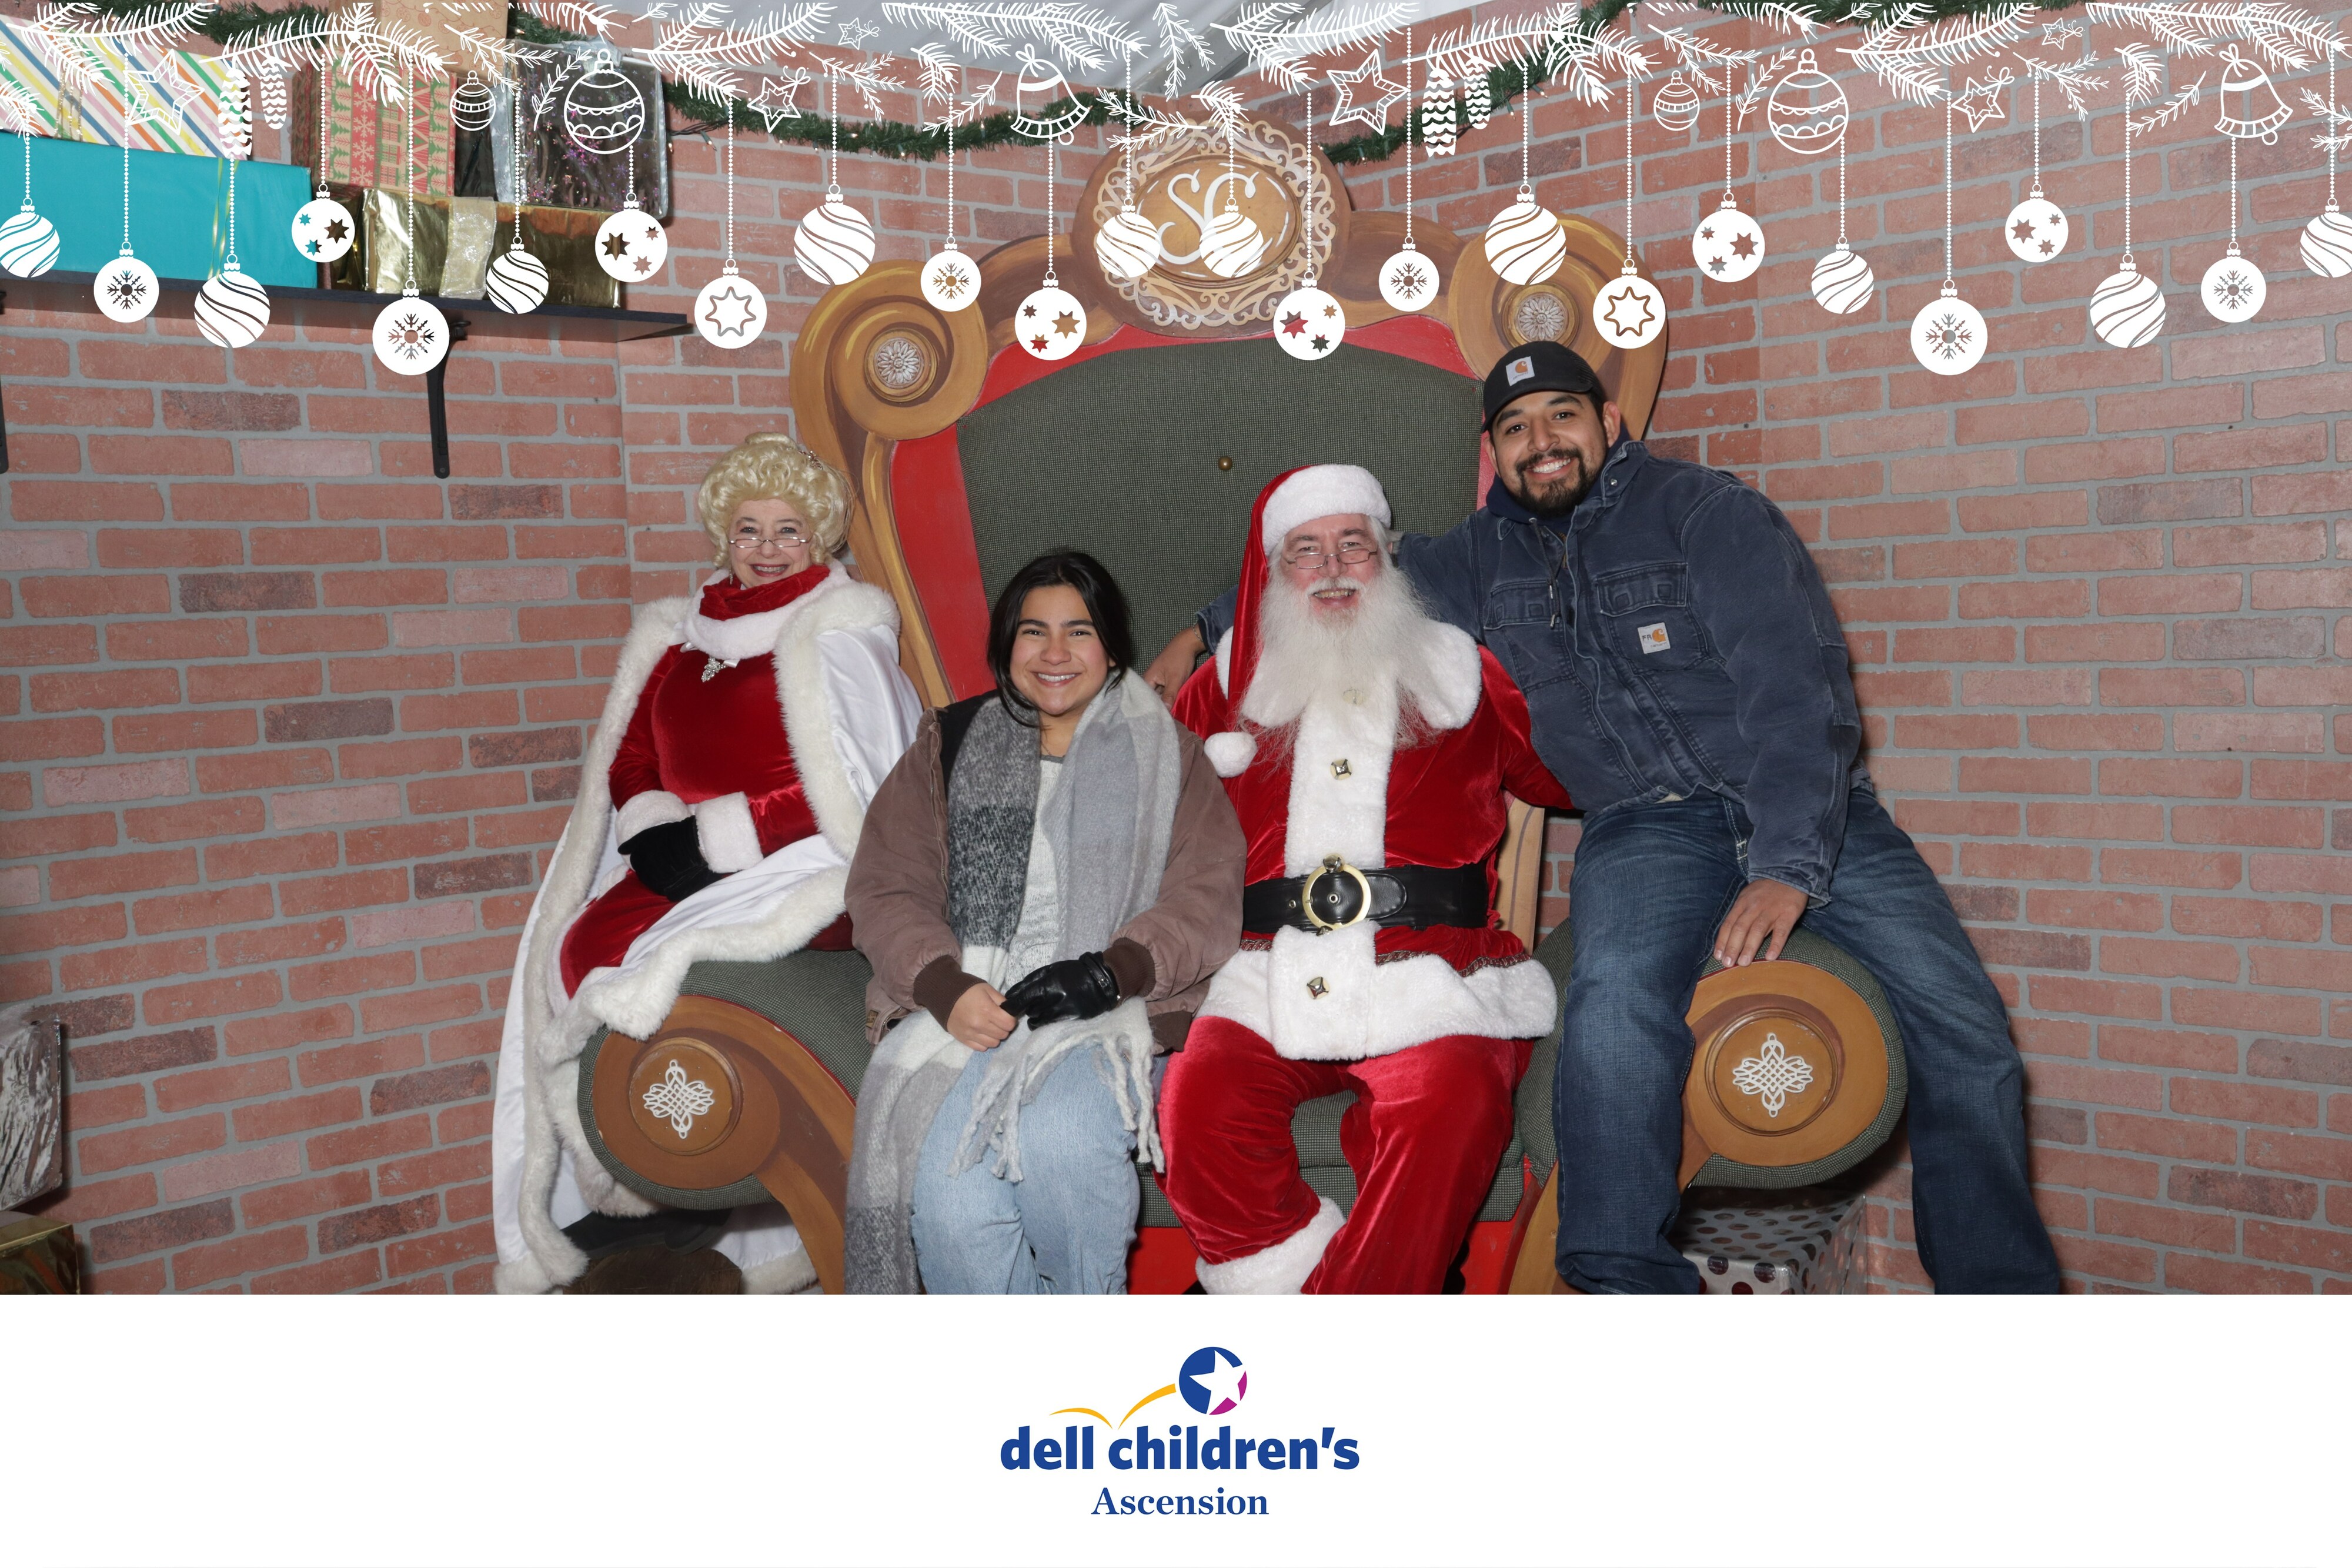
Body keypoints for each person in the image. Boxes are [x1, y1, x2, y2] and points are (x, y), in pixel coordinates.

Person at [1147, 343, 2060, 1295]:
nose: (1541, 440)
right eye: (1516, 427)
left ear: (1609, 422)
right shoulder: (1475, 557)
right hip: (1646, 828)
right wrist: (1199, 633)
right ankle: (1621, 1281)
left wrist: (1787, 867)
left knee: (1970, 1033)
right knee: (1616, 1007)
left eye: (1562, 415)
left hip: (1806, 807)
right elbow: (1336, 570)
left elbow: (1800, 696)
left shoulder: (1708, 512)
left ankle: (2000, 1298)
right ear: (1494, 452)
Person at [492, 433, 922, 1293]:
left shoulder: (841, 632)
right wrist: (652, 826)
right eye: (748, 529)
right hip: (678, 853)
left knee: (672, 964)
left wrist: (723, 837)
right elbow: (630, 751)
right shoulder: (675, 633)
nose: (766, 547)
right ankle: (625, 1180)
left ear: (820, 537)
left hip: (798, 860)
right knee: (567, 949)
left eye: (788, 530)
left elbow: (860, 787)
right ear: (724, 534)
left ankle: (701, 1181)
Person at [1160, 466, 1572, 1293]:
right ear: (1275, 572)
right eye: (1306, 551)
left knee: (1451, 1105)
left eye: (1353, 545)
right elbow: (1145, 810)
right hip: (1265, 974)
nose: (1334, 568)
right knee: (1195, 1107)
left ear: (1386, 558)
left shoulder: (1462, 672)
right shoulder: (1228, 685)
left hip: (1434, 970)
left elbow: (1570, 774)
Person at [843, 551, 1245, 1293]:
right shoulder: (947, 743)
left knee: (1061, 1144)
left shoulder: (1172, 754)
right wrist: (944, 987)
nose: (1054, 653)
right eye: (1033, 632)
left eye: (1078, 631)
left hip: (1115, 1009)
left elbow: (1207, 894)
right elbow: (885, 883)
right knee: (951, 1206)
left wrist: (1112, 972)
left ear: (1112, 648)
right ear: (1006, 646)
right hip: (970, 1010)